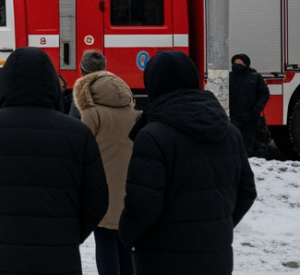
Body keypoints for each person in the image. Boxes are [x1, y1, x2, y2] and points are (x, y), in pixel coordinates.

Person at [0, 48, 109, 275]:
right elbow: (96, 200)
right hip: (59, 261)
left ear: (3, 84)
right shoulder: (79, 134)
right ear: (52, 85)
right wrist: (70, 235)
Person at [120, 51, 257, 275]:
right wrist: (217, 228)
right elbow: (247, 192)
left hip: (161, 258)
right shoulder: (229, 131)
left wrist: (127, 236)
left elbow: (143, 205)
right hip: (217, 257)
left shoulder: (153, 135)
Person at [73, 52, 139, 275]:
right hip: (129, 190)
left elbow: (80, 152)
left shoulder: (91, 114)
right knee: (125, 245)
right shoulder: (131, 111)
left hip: (101, 192)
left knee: (105, 246)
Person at [229, 53, 270, 157]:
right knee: (234, 140)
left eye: (240, 63)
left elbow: (264, 93)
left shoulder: (255, 77)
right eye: (235, 63)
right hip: (234, 116)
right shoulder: (229, 77)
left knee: (248, 141)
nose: (236, 65)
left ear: (246, 64)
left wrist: (257, 108)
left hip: (251, 116)